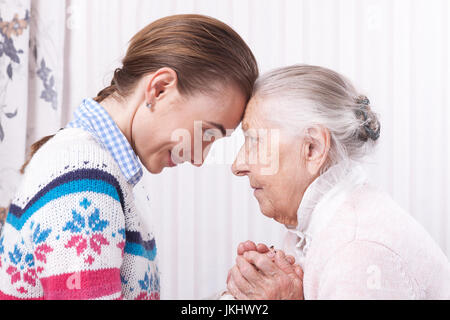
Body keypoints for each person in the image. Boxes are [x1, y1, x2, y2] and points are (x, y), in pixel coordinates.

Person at [0, 14, 259, 300]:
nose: (199, 159)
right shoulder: (83, 175)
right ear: (159, 89)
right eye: (207, 134)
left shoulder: (97, 169)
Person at [227, 65, 450, 299]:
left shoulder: (357, 250)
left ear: (312, 149)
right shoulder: (319, 225)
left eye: (254, 142)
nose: (238, 165)